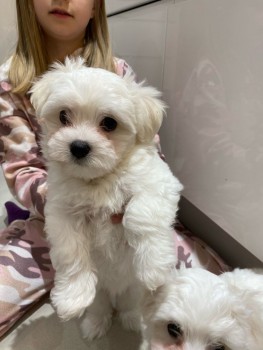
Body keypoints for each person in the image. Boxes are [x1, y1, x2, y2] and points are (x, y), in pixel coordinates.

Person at [0, 0, 228, 339]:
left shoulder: (119, 72)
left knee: (210, 285)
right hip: (50, 216)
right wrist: (75, 212)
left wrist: (136, 215)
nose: (80, 139)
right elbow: (23, 171)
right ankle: (95, 300)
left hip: (129, 216)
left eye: (107, 123)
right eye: (65, 118)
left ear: (96, 7)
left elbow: (153, 155)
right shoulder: (8, 82)